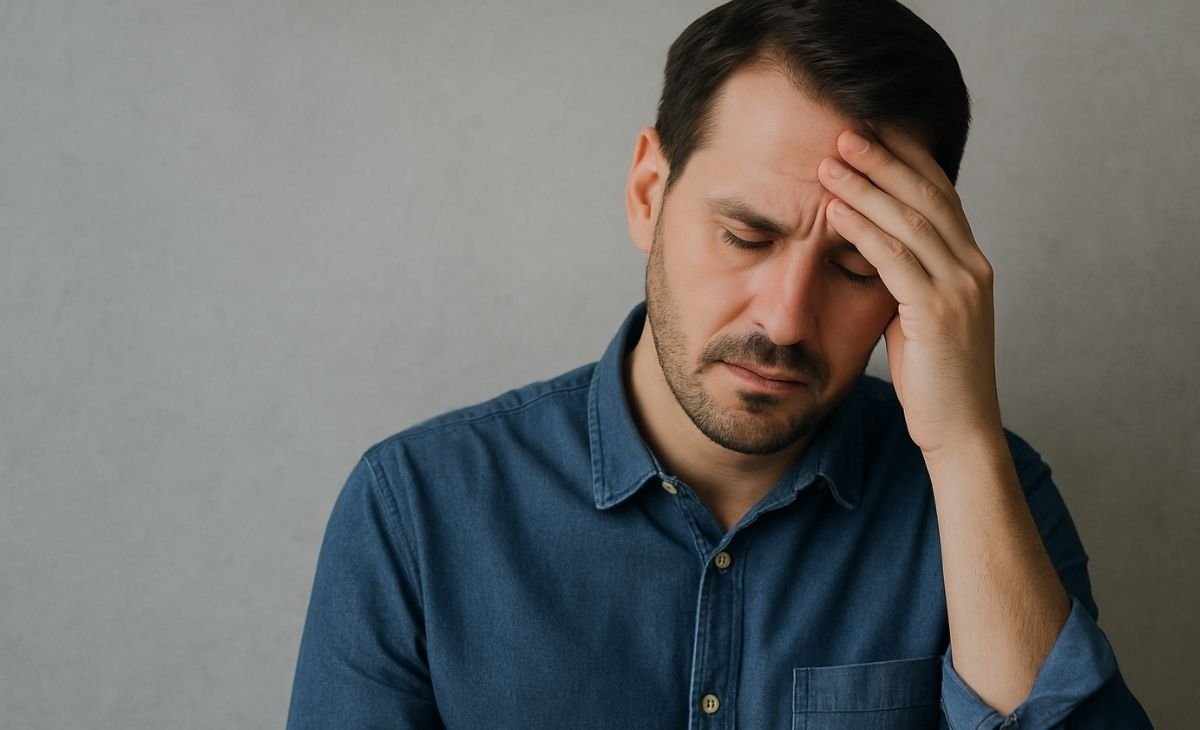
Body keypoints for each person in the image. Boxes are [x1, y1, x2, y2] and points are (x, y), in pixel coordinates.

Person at [287, 1, 1153, 727]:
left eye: (857, 267)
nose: (783, 320)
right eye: (746, 236)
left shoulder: (995, 496)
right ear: (646, 195)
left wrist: (963, 446)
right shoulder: (415, 511)